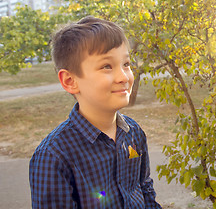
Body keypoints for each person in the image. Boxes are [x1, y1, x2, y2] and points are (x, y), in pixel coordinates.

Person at [29, 16, 162, 208]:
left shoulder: (134, 132)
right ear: (70, 81)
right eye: (106, 66)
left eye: (126, 64)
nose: (123, 77)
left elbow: (144, 189)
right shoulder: (54, 156)